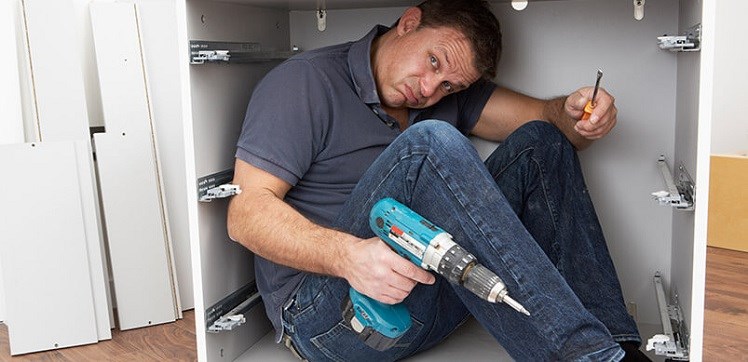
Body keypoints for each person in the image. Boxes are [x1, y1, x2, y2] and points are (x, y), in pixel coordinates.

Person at [227, 0, 651, 360]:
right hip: (331, 314)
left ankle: (619, 347)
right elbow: (246, 214)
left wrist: (580, 116)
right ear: (409, 23)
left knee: (542, 142)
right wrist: (348, 257)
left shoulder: (442, 95)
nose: (429, 89)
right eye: (433, 61)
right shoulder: (306, 82)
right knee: (428, 142)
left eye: (449, 85)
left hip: (432, 295)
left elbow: (550, 121)